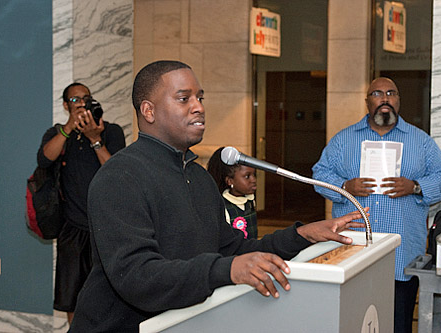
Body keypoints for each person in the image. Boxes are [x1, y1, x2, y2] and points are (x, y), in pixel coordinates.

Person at [69, 60, 367, 332]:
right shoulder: (120, 177)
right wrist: (225, 270)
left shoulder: (198, 177)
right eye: (184, 99)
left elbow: (233, 248)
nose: (198, 107)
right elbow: (137, 277)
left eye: (200, 97)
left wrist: (302, 235)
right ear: (149, 111)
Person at [312, 77, 441, 333]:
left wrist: (415, 186)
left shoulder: (420, 141)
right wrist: (345, 186)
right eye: (377, 93)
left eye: (391, 93)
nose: (385, 98)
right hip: (352, 250)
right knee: (350, 322)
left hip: (401, 254)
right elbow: (319, 175)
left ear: (398, 101)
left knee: (398, 323)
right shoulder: (344, 140)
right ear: (368, 102)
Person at [37, 82, 125, 324]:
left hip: (107, 228)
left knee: (110, 295)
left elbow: (117, 174)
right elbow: (44, 160)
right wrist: (68, 128)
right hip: (72, 229)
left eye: (85, 98)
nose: (82, 103)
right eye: (75, 100)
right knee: (72, 297)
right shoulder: (59, 134)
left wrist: (95, 139)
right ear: (66, 105)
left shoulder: (111, 131)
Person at [207, 146, 258, 239]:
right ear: (230, 181)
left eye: (254, 175)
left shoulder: (250, 200)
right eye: (247, 176)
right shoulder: (223, 206)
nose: (253, 180)